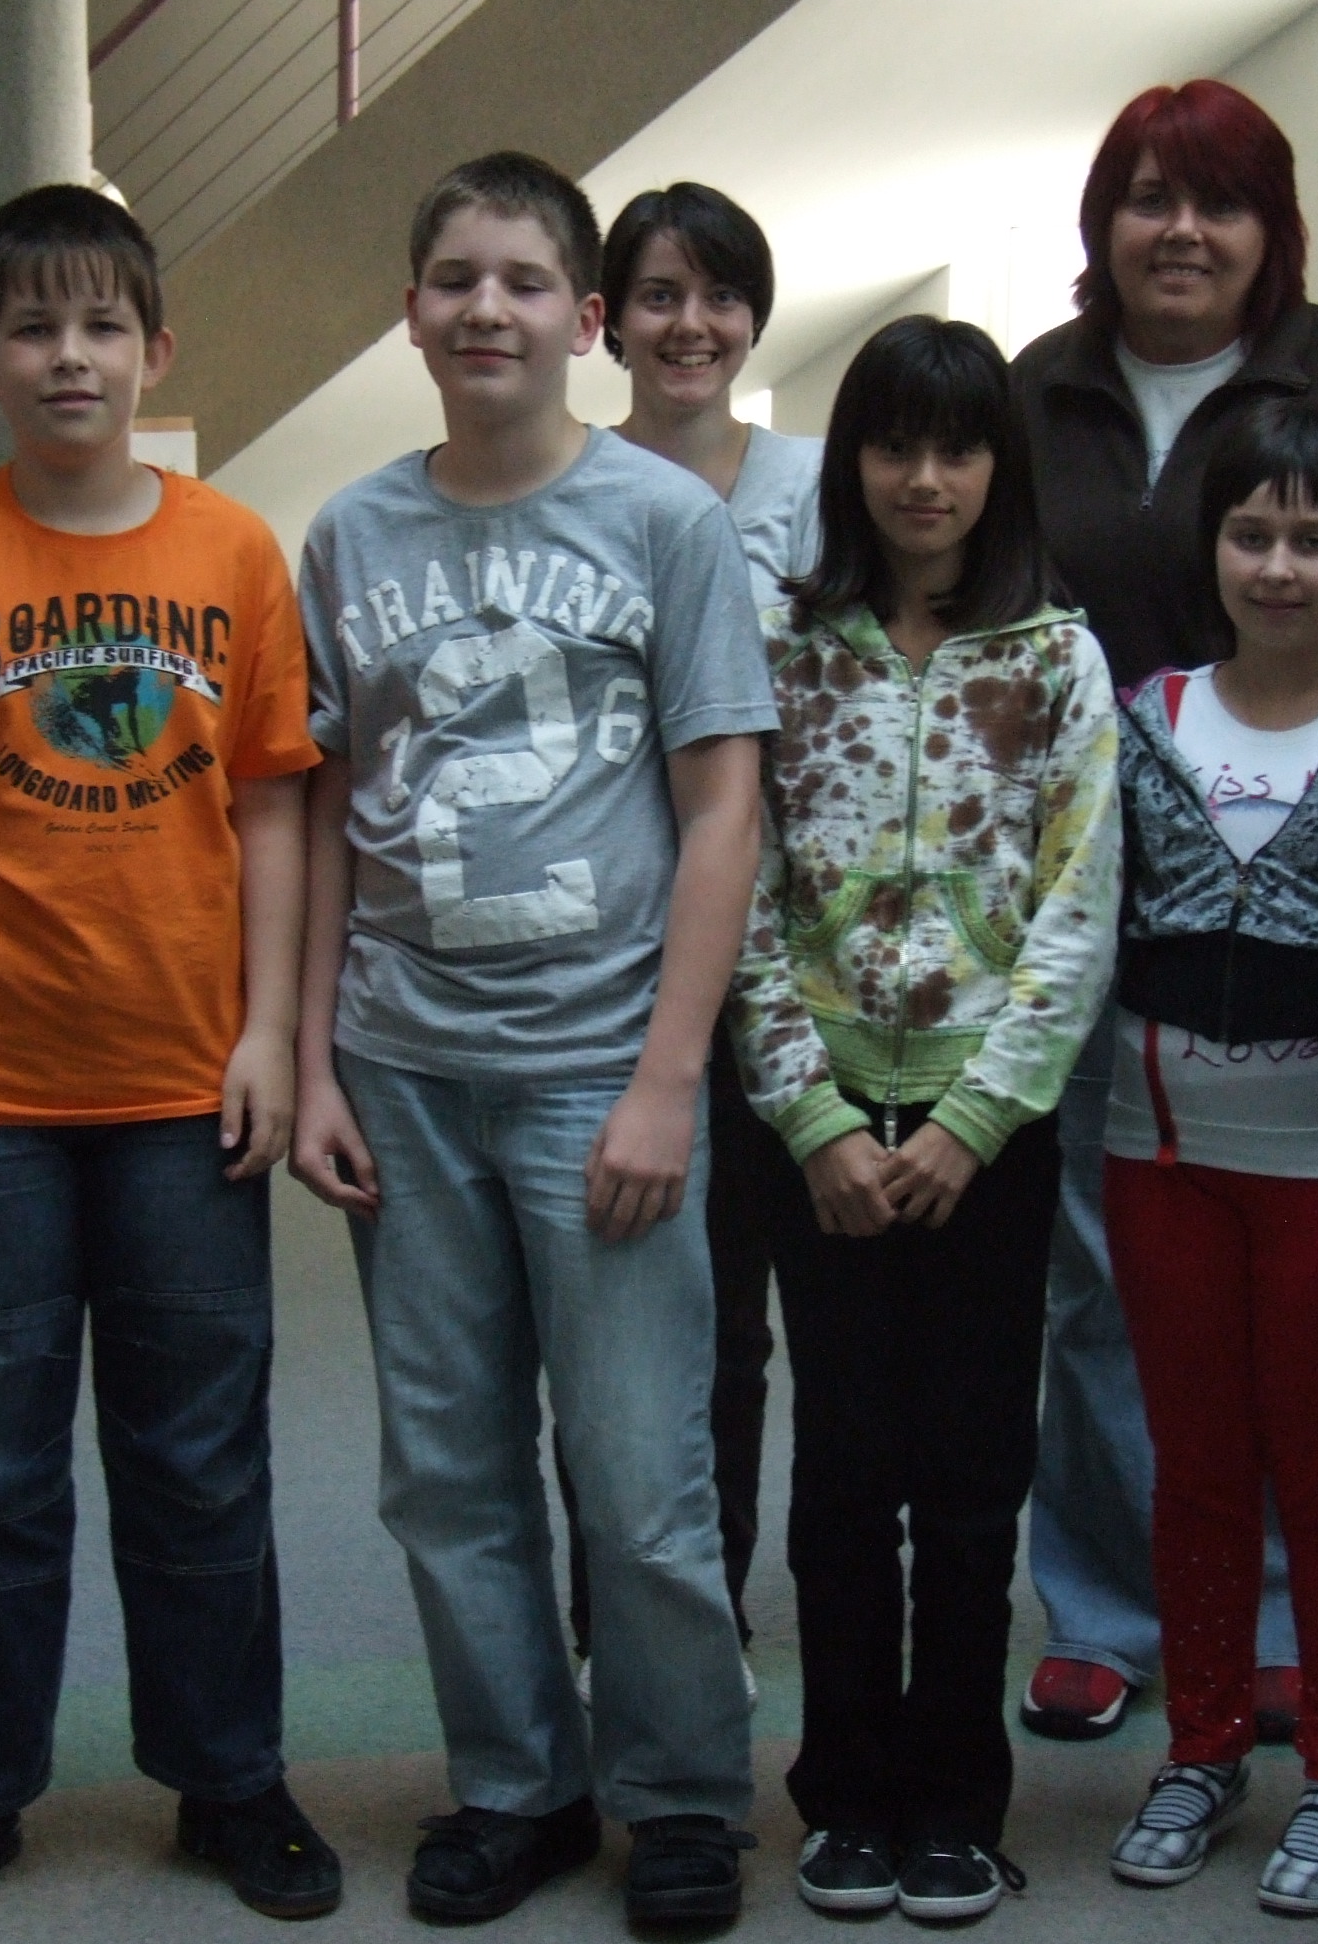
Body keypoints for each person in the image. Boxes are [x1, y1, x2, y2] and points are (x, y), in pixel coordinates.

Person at [0, 186, 339, 1935]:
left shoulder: (233, 554)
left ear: (154, 349)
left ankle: (229, 1777)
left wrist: (268, 1033)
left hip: (187, 1094)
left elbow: (275, 809)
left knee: (201, 1460)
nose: (70, 356)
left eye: (102, 324)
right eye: (34, 327)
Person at [288, 151, 775, 1927]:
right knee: (448, 1472)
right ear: (411, 314)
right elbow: (328, 808)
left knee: (641, 1479)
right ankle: (518, 1785)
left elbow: (721, 811)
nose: (483, 308)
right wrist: (316, 1060)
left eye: (520, 281)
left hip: (599, 1072)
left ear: (583, 320)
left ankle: (683, 1794)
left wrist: (667, 1082)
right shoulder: (348, 535)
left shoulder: (664, 522)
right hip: (406, 1068)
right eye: (453, 278)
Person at [1007, 75, 1318, 1743]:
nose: (1183, 231)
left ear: (1273, 229)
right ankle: (1106, 1608)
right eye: (1149, 197)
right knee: (1099, 1275)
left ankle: (1273, 1617)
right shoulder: (1038, 387)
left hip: (1298, 902)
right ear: (1104, 223)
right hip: (1076, 887)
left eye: (1220, 201)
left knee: (1294, 1290)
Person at [730, 314, 1119, 1924]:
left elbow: (1078, 909)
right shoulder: (783, 648)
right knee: (841, 1476)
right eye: (895, 444)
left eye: (959, 447)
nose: (926, 478)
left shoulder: (1056, 657)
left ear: (997, 467)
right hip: (820, 1123)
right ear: (853, 462)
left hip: (985, 1135)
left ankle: (956, 1801)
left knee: (968, 1481)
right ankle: (846, 1793)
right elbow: (739, 891)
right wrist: (811, 1118)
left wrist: (977, 1117)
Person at [1102, 399, 1318, 1916]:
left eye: (1314, 537)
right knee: (1198, 1467)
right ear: (1210, 547)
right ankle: (1204, 1744)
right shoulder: (1142, 713)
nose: (1278, 567)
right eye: (1250, 534)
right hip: (1158, 1159)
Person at [552, 178, 822, 1709]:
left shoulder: (817, 489)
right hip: (614, 965)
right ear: (610, 319)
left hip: (791, 969)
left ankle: (706, 1609)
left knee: (741, 1325)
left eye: (718, 296)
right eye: (658, 295)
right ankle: (622, 1623)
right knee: (622, 1316)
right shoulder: (568, 484)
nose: (690, 325)